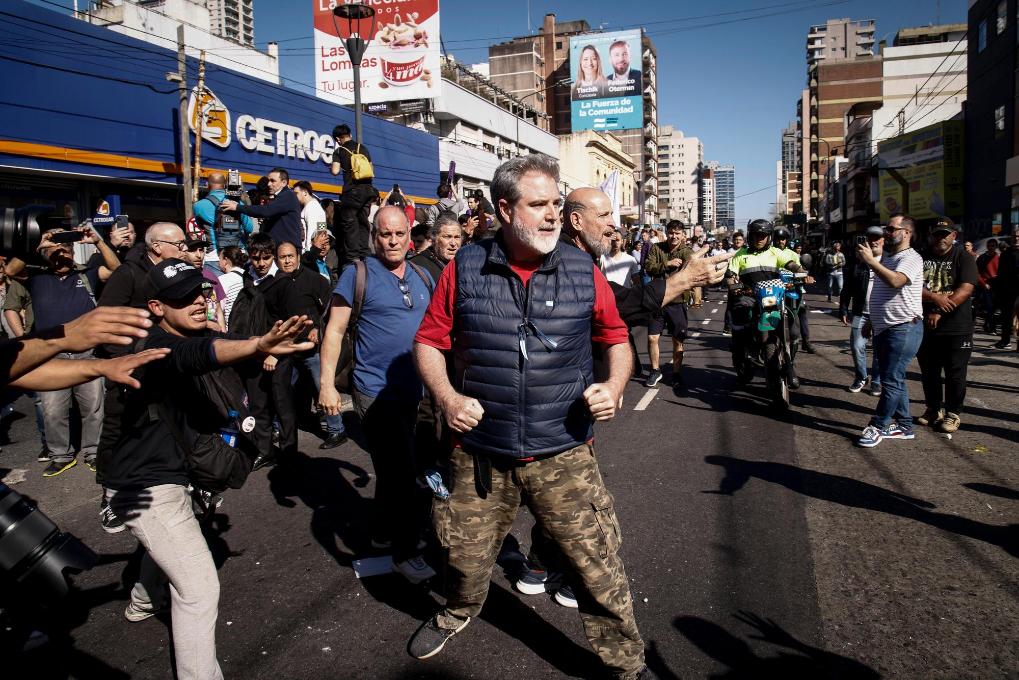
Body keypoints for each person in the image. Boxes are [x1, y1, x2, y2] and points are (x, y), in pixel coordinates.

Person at [407, 156, 651, 679]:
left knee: (596, 565)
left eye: (556, 204)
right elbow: (428, 342)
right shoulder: (465, 266)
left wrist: (613, 386)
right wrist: (448, 398)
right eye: (538, 205)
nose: (553, 215)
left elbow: (615, 338)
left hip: (562, 451)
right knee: (462, 555)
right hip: (480, 453)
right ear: (504, 209)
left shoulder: (582, 269)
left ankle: (626, 665)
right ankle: (456, 611)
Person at [97, 259, 312, 680]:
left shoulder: (194, 332)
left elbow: (217, 348)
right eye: (183, 298)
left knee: (170, 547)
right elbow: (196, 356)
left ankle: (142, 600)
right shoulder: (153, 346)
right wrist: (258, 344)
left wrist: (258, 344)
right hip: (145, 486)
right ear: (157, 307)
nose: (197, 301)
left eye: (200, 292)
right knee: (199, 588)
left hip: (177, 474)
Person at [319, 205, 436, 583]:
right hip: (374, 391)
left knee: (393, 469)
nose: (393, 241)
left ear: (410, 236)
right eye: (385, 234)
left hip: (416, 390)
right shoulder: (357, 274)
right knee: (402, 473)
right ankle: (405, 552)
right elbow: (334, 331)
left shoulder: (421, 273)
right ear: (374, 237)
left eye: (400, 233)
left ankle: (383, 531)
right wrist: (326, 385)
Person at [29, 227, 120, 477]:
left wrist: (98, 242)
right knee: (52, 410)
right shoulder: (36, 277)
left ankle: (94, 452)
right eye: (56, 250)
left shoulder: (86, 274)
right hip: (50, 356)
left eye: (66, 249)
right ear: (45, 254)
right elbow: (12, 270)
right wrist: (40, 243)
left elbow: (115, 269)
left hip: (87, 353)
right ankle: (60, 455)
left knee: (93, 408)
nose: (62, 254)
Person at [854, 214, 924, 448]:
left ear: (907, 233)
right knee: (894, 378)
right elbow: (882, 291)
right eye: (887, 228)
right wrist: (872, 321)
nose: (887, 232)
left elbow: (896, 281)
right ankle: (904, 425)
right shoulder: (889, 257)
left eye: (892, 229)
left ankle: (878, 426)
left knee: (891, 380)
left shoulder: (911, 257)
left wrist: (871, 262)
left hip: (903, 328)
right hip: (885, 327)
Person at [276, 240, 346, 449]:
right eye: (282, 257)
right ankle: (283, 427)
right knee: (284, 389)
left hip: (312, 348)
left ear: (298, 257)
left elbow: (331, 309)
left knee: (323, 387)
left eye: (290, 256)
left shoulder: (314, 280)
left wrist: (317, 327)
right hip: (287, 348)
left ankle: (337, 430)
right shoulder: (275, 282)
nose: (287, 261)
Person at [724, 219, 808, 389]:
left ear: (769, 237)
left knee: (792, 321)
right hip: (749, 297)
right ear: (751, 236)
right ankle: (741, 354)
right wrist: (732, 285)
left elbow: (791, 264)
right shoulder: (740, 255)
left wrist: (802, 273)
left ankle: (789, 359)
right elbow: (730, 274)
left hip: (773, 297)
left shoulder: (776, 252)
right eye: (756, 235)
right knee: (740, 318)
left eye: (763, 235)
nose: (760, 238)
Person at [916, 218, 977, 433]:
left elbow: (965, 289)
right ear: (930, 235)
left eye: (945, 234)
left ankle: (953, 413)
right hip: (926, 325)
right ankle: (933, 409)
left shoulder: (964, 257)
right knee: (929, 372)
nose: (941, 238)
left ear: (954, 236)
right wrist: (934, 297)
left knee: (955, 373)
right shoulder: (920, 257)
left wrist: (939, 310)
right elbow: (910, 286)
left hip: (957, 327)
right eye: (937, 234)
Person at [645, 220, 694, 389]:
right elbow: (648, 267)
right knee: (652, 337)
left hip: (677, 301)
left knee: (678, 339)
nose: (674, 236)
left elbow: (692, 272)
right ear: (667, 233)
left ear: (683, 235)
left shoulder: (687, 252)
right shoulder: (657, 248)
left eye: (677, 233)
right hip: (657, 300)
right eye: (671, 233)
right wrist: (667, 264)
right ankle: (655, 370)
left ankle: (676, 373)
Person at [99, 223, 189, 308]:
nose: (185, 248)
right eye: (179, 244)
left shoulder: (185, 269)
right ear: (157, 247)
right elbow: (105, 313)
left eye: (185, 243)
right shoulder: (128, 273)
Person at [840, 227, 884, 395]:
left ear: (884, 240)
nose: (873, 241)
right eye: (870, 238)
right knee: (857, 346)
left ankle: (877, 382)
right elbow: (847, 288)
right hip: (861, 312)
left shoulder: (889, 262)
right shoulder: (858, 262)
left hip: (882, 314)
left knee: (880, 350)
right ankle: (861, 377)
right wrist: (844, 308)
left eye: (877, 238)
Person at [330, 124, 380, 266]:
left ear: (338, 139)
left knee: (350, 224)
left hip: (352, 192)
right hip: (368, 190)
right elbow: (371, 169)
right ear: (350, 135)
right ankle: (365, 255)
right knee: (363, 223)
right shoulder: (362, 148)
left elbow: (335, 171)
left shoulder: (339, 151)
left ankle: (353, 259)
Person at [219, 168, 303, 251]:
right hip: (281, 248)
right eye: (268, 181)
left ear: (284, 182)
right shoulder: (281, 196)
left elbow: (266, 211)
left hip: (288, 250)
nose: (269, 184)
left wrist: (237, 207)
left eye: (273, 181)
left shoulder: (288, 195)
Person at [192, 171, 254, 273]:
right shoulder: (237, 203)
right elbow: (249, 228)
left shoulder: (198, 205)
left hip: (214, 257)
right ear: (225, 185)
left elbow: (200, 226)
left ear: (207, 185)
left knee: (214, 284)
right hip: (237, 255)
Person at [773, 227, 815, 353]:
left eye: (783, 239)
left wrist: (805, 277)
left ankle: (805, 341)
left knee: (801, 310)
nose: (781, 241)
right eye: (778, 239)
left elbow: (799, 271)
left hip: (792, 288)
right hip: (774, 290)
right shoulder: (769, 252)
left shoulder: (792, 254)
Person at [412, 212, 462, 283]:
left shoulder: (464, 263)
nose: (453, 243)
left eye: (457, 237)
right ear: (434, 238)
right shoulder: (418, 266)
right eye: (447, 237)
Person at [993, 228, 1019, 350]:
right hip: (1007, 290)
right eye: (1014, 236)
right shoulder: (1006, 253)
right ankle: (1005, 340)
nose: (1016, 238)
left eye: (1018, 236)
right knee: (1006, 316)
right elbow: (1001, 273)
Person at [292, 180, 329, 254]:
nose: (294, 196)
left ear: (305, 192)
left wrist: (309, 253)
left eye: (296, 193)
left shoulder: (312, 207)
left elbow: (311, 232)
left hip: (308, 252)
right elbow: (321, 230)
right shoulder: (315, 207)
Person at [216, 246, 248, 327]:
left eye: (220, 259)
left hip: (231, 328)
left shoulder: (222, 280)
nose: (218, 262)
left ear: (226, 260)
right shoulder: (249, 276)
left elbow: (219, 309)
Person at [976, 238, 999, 333]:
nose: (990, 248)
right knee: (989, 306)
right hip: (986, 285)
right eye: (989, 246)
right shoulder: (982, 258)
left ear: (996, 247)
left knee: (994, 307)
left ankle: (987, 324)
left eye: (993, 246)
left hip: (997, 285)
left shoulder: (999, 258)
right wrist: (983, 283)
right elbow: (977, 273)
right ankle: (991, 327)